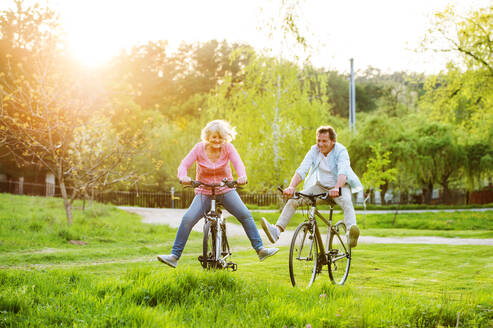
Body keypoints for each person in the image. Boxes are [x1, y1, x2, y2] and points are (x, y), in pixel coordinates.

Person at [157, 120, 278, 268]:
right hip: (204, 191)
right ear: (207, 136)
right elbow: (184, 165)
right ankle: (174, 257)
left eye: (220, 137)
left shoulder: (228, 148)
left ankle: (260, 250)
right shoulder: (198, 148)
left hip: (225, 190)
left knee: (245, 214)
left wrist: (242, 176)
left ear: (225, 138)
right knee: (188, 218)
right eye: (214, 137)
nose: (217, 140)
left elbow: (238, 164)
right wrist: (184, 177)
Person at [261, 125, 363, 248]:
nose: (320, 144)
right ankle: (276, 231)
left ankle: (350, 234)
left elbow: (343, 171)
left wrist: (337, 187)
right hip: (320, 187)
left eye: (324, 141)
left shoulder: (341, 151)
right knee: (294, 200)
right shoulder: (314, 150)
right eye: (318, 140)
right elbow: (302, 169)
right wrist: (292, 187)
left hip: (340, 186)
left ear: (333, 141)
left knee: (347, 201)